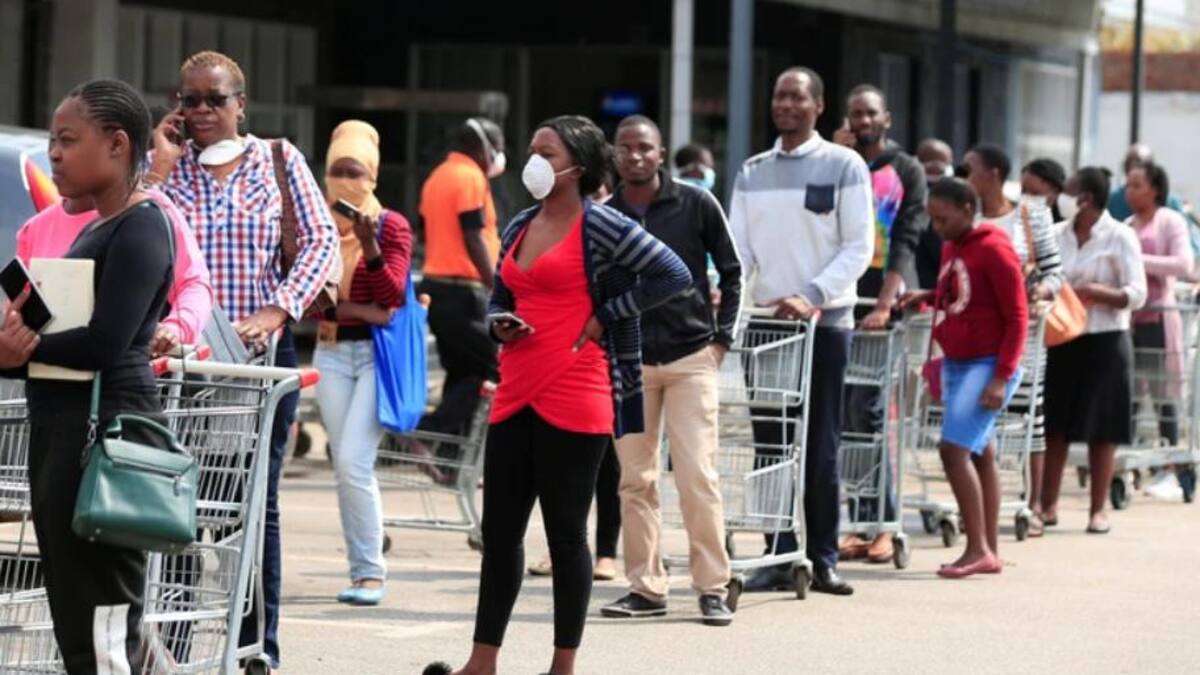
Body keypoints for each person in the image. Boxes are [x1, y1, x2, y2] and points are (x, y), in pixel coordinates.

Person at [426, 115, 689, 675]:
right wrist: (499, 322)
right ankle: (482, 661)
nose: (534, 162)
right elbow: (501, 291)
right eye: (533, 150)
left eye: (547, 153)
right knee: (500, 535)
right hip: (516, 386)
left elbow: (674, 273)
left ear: (578, 166)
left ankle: (562, 666)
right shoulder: (522, 223)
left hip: (576, 389)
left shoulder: (603, 225)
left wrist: (606, 315)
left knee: (566, 536)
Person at [145, 50, 339, 670]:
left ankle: (256, 645)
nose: (201, 110)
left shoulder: (277, 160)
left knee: (252, 508)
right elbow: (131, 233)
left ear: (240, 104)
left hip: (257, 367)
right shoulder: (168, 170)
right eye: (189, 100)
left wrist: (277, 310)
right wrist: (158, 166)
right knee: (177, 503)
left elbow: (321, 241)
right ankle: (172, 643)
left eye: (215, 99)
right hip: (182, 367)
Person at [0, 79, 175, 672]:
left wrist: (20, 352)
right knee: (77, 620)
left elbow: (105, 342)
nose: (54, 154)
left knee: (103, 625)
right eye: (52, 140)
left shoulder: (142, 226)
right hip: (65, 434)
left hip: (105, 439)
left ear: (118, 144)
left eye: (68, 140)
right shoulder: (99, 226)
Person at [730, 67, 874, 596]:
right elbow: (739, 249)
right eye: (779, 95)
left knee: (820, 444)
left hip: (824, 324)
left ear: (819, 106)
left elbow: (859, 246)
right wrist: (732, 297)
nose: (785, 104)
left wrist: (811, 295)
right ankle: (775, 553)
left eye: (796, 96)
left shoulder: (845, 165)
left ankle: (822, 557)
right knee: (771, 445)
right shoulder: (752, 170)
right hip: (767, 325)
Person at [599, 115, 741, 626]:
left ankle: (712, 586)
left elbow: (732, 271)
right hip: (629, 363)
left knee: (697, 475)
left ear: (661, 154)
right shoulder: (604, 216)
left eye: (645, 147)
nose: (635, 156)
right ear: (614, 155)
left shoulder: (697, 203)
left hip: (690, 359)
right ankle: (646, 587)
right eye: (625, 148)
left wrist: (721, 341)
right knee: (635, 480)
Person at [901, 178, 1028, 578]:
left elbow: (1018, 316)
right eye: (933, 219)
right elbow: (964, 295)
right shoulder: (953, 245)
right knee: (979, 453)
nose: (936, 227)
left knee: (952, 451)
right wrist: (928, 296)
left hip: (985, 365)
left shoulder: (994, 248)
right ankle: (988, 549)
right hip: (960, 361)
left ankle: (977, 549)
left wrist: (1001, 377)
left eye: (943, 219)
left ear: (967, 209)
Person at [312, 120, 413, 605]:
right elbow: (310, 300)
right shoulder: (316, 224)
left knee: (354, 460)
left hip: (376, 356)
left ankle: (371, 572)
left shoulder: (391, 225)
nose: (345, 181)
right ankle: (360, 568)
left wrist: (370, 246)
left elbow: (391, 296)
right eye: (338, 171)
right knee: (345, 465)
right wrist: (356, 309)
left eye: (355, 172)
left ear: (372, 174)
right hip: (330, 351)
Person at [833, 84, 928, 564]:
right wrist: (833, 155)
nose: (863, 121)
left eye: (871, 113)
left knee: (867, 412)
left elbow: (906, 239)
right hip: (839, 303)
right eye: (856, 114)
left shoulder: (906, 169)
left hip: (881, 304)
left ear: (886, 118)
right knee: (845, 416)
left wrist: (885, 305)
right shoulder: (838, 163)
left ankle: (883, 524)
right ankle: (862, 521)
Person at [527, 154, 622, 582]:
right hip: (555, 368)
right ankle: (562, 546)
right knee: (559, 472)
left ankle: (606, 551)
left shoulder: (612, 233)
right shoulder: (542, 229)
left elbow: (654, 281)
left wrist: (605, 318)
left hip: (606, 368)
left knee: (609, 467)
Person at [1040, 168, 1147, 534]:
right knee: (1054, 424)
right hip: (1063, 336)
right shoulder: (1056, 234)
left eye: (1069, 192)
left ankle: (1097, 510)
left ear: (1086, 199)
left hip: (1105, 338)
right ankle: (1047, 505)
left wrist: (1100, 293)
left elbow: (1137, 293)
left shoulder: (1120, 236)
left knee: (1104, 428)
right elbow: (1045, 276)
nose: (1062, 198)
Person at [966, 143, 1062, 537]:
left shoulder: (1030, 215)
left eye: (970, 169)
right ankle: (975, 506)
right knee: (976, 418)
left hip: (1022, 331)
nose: (964, 176)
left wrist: (1039, 292)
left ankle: (1033, 504)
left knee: (1028, 416)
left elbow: (1055, 273)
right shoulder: (965, 215)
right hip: (975, 333)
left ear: (992, 174)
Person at [16, 190, 212, 355]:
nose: (57, 158)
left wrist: (174, 328)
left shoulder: (150, 210)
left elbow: (193, 284)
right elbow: (19, 312)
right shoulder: (34, 229)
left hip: (133, 375)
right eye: (53, 149)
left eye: (70, 144)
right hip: (52, 377)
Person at [417, 118, 506, 444]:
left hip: (437, 287)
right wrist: (496, 285)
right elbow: (473, 235)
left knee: (461, 371)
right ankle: (429, 429)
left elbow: (424, 232)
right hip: (463, 291)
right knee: (491, 369)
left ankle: (451, 453)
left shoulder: (437, 176)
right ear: (482, 147)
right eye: (498, 147)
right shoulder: (470, 177)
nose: (500, 155)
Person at [1126, 162, 1194, 491]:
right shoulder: (1127, 225)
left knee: (1162, 395)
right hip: (1130, 321)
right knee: (1128, 396)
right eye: (1128, 185)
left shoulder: (1170, 220)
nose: (1129, 191)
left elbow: (1183, 264)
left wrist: (1138, 262)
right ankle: (1125, 464)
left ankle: (1172, 464)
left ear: (1154, 189)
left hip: (1158, 319)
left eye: (1137, 185)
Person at [1107, 144, 1185, 222]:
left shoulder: (1171, 204)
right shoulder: (1113, 201)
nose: (1130, 192)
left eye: (1137, 185)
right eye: (1129, 167)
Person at [915, 138, 955, 291]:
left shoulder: (957, 191)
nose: (937, 168)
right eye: (930, 162)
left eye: (943, 163)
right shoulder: (910, 187)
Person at [1021, 158, 1070, 223]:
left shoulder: (1065, 226)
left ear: (1055, 192)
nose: (1027, 199)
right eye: (1024, 191)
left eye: (1035, 194)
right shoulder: (1012, 221)